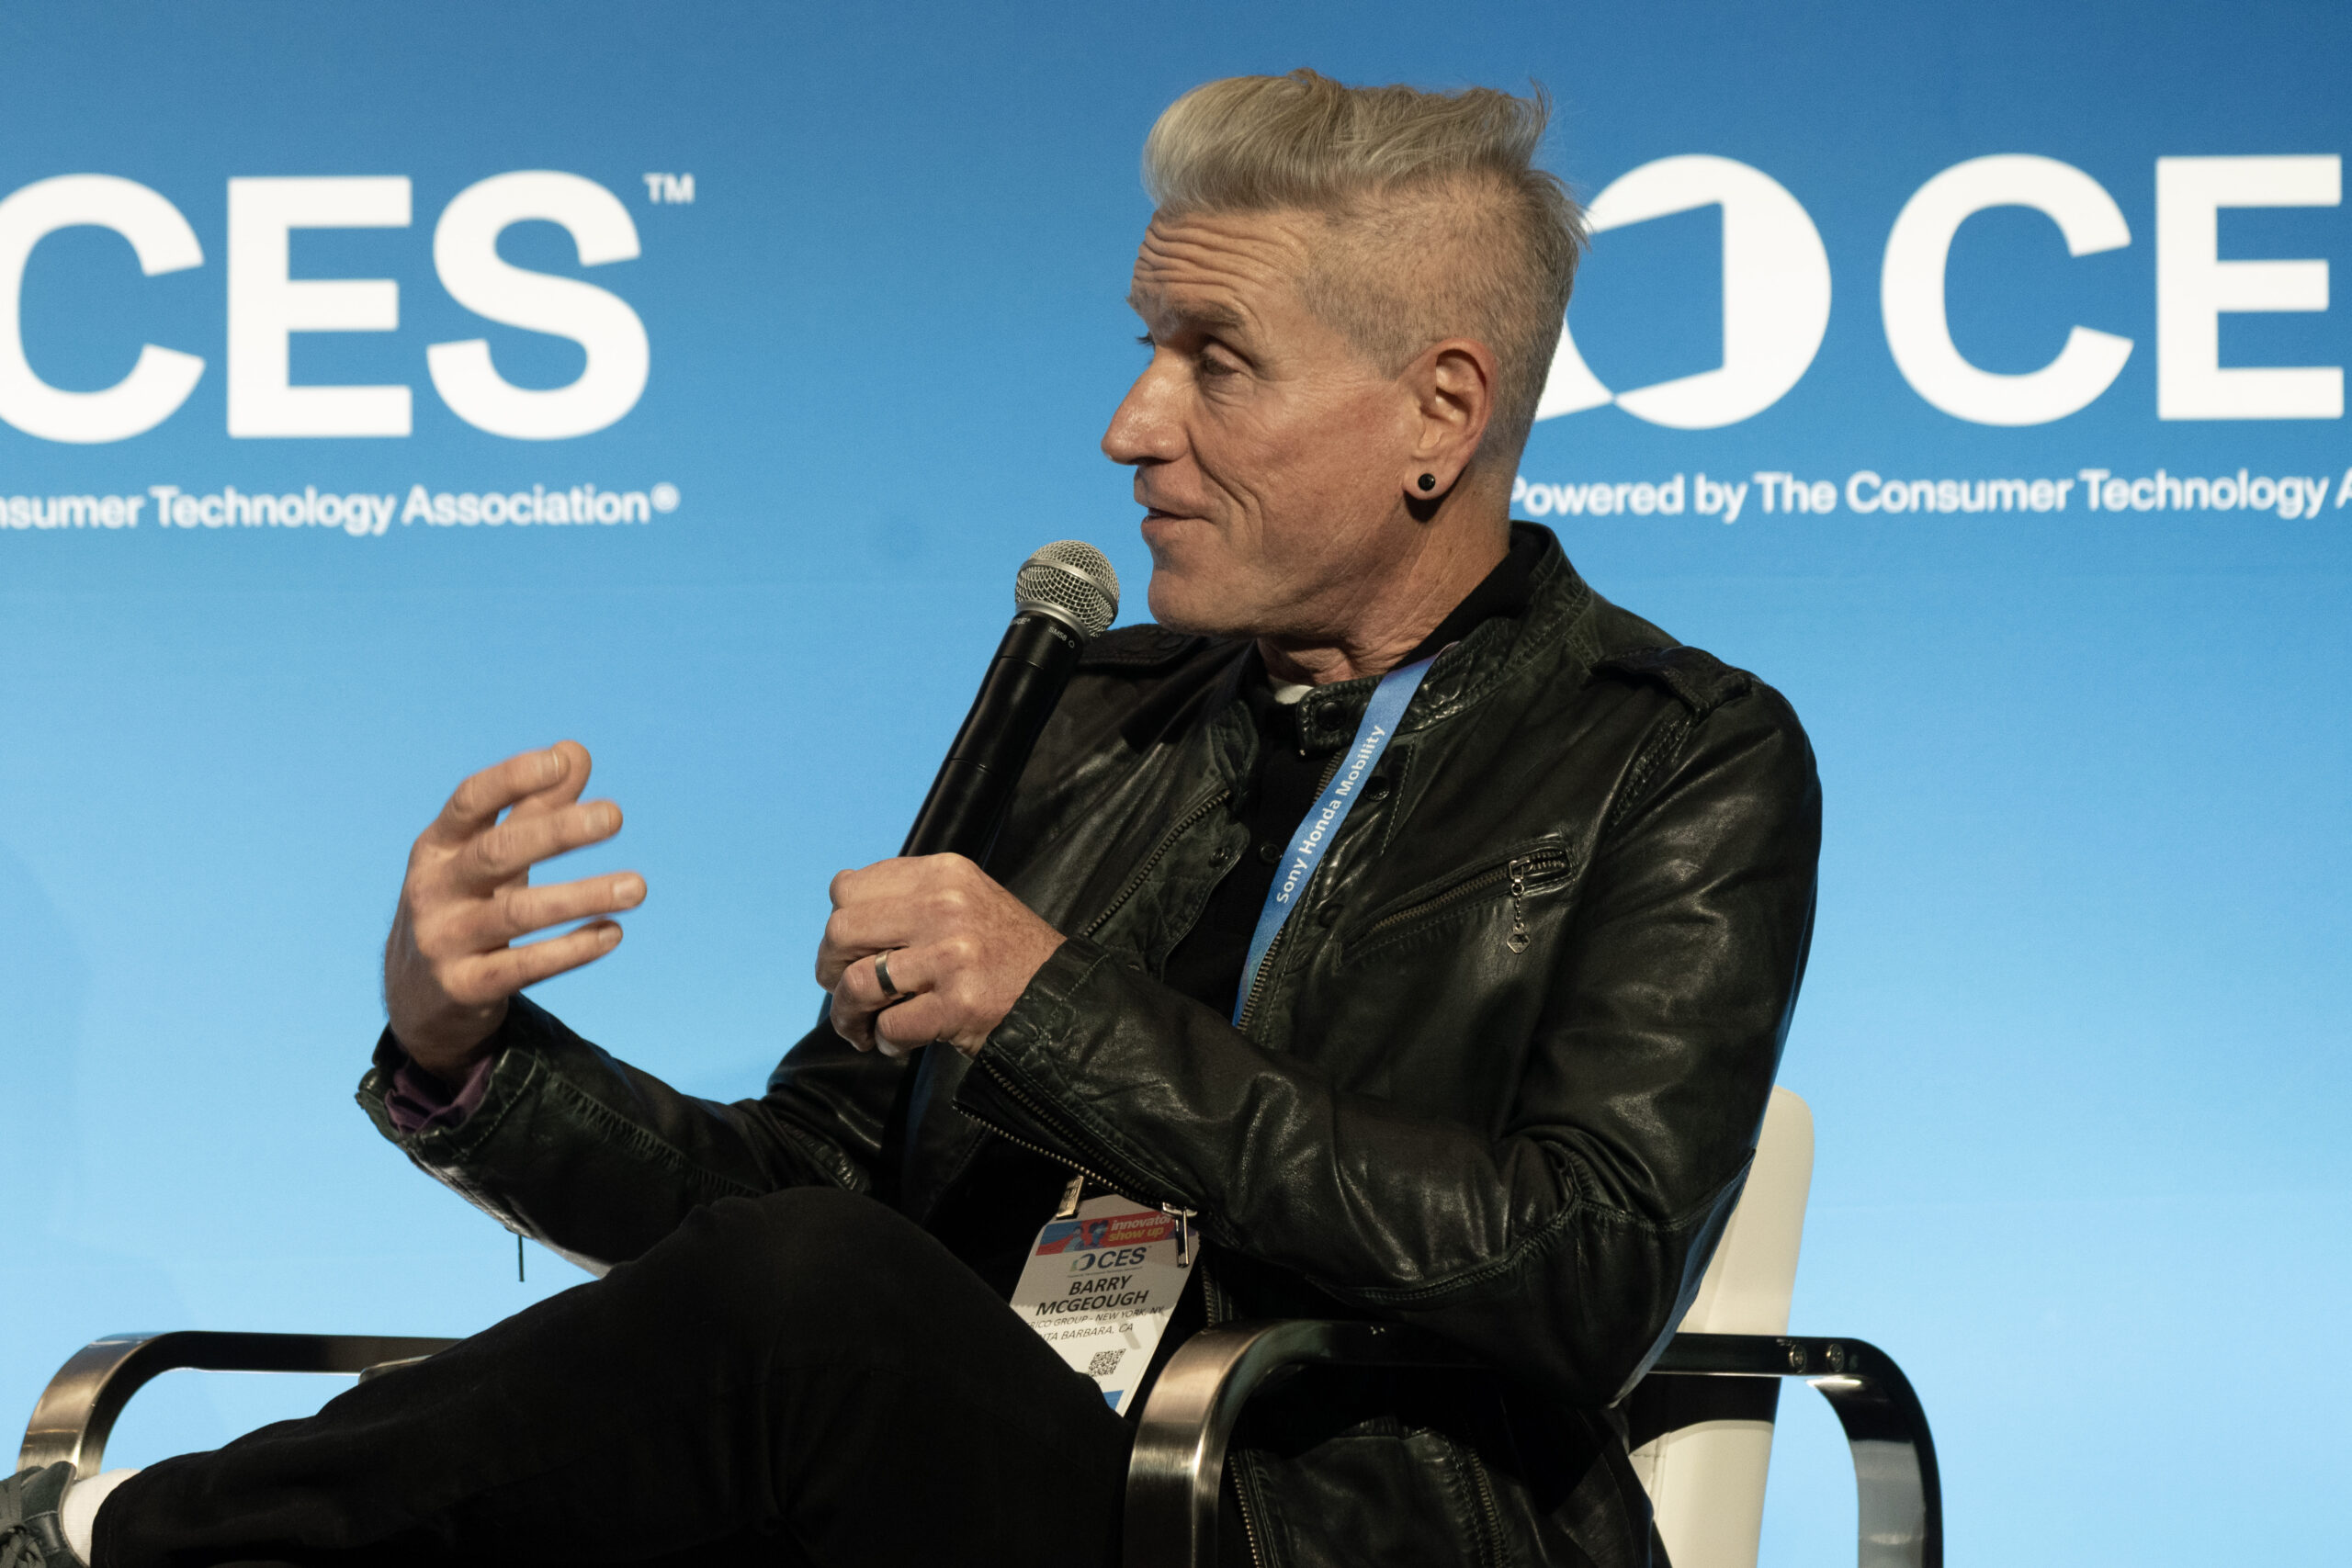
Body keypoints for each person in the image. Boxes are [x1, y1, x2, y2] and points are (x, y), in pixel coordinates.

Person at [3, 69, 1819, 1568]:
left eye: (1215, 359)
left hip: (1317, 1519)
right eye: (1146, 346)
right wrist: (465, 1056)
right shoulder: (1095, 715)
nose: (1130, 425)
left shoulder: (1674, 755)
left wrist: (1054, 1011)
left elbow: (1584, 1268)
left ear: (1439, 410)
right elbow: (800, 1205)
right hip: (954, 1478)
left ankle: (119, 1540)